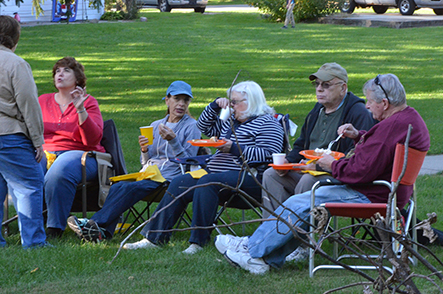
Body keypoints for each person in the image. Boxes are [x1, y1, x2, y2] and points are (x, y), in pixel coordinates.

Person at [215, 74, 430, 274]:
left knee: (301, 203)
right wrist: (358, 136)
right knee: (302, 202)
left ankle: (253, 250)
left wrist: (330, 165)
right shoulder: (407, 119)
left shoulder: (392, 126)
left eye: (370, 101)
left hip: (373, 195)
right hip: (383, 191)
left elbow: (360, 171)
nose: (366, 105)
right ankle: (262, 255)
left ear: (384, 104)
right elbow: (379, 152)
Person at [123, 81, 284, 254]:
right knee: (180, 182)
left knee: (207, 181)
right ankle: (154, 237)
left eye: (235, 102)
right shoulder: (231, 121)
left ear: (251, 102)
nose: (232, 106)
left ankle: (198, 242)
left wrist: (234, 148)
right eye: (230, 101)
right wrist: (215, 105)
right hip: (216, 172)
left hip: (248, 177)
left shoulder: (268, 123)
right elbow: (203, 126)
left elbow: (269, 154)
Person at [67, 81, 201, 242]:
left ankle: (94, 224)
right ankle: (102, 233)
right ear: (167, 100)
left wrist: (173, 141)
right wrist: (144, 150)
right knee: (118, 186)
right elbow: (146, 162)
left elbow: (189, 161)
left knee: (132, 187)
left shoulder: (192, 126)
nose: (181, 104)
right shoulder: (155, 125)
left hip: (171, 178)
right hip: (150, 173)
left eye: (185, 100)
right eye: (177, 98)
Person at [262, 63, 375, 219]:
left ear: (343, 88)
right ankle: (274, 230)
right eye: (317, 84)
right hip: (308, 169)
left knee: (309, 180)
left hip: (338, 176)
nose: (319, 89)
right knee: (271, 175)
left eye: (326, 85)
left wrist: (320, 165)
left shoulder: (358, 113)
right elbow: (301, 144)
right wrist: (287, 161)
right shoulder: (317, 110)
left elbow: (356, 158)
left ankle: (302, 236)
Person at [39, 56, 106, 238]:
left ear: (77, 78)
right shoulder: (42, 101)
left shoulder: (89, 102)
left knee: (61, 168)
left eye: (66, 70)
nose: (60, 74)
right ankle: (30, 223)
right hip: (45, 152)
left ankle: (55, 229)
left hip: (82, 155)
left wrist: (80, 108)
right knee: (21, 163)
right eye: (57, 71)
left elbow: (92, 140)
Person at [0, 15, 47, 248]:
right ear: (14, 38)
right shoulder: (15, 64)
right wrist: (38, 140)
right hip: (9, 134)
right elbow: (28, 103)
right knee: (30, 185)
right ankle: (35, 242)